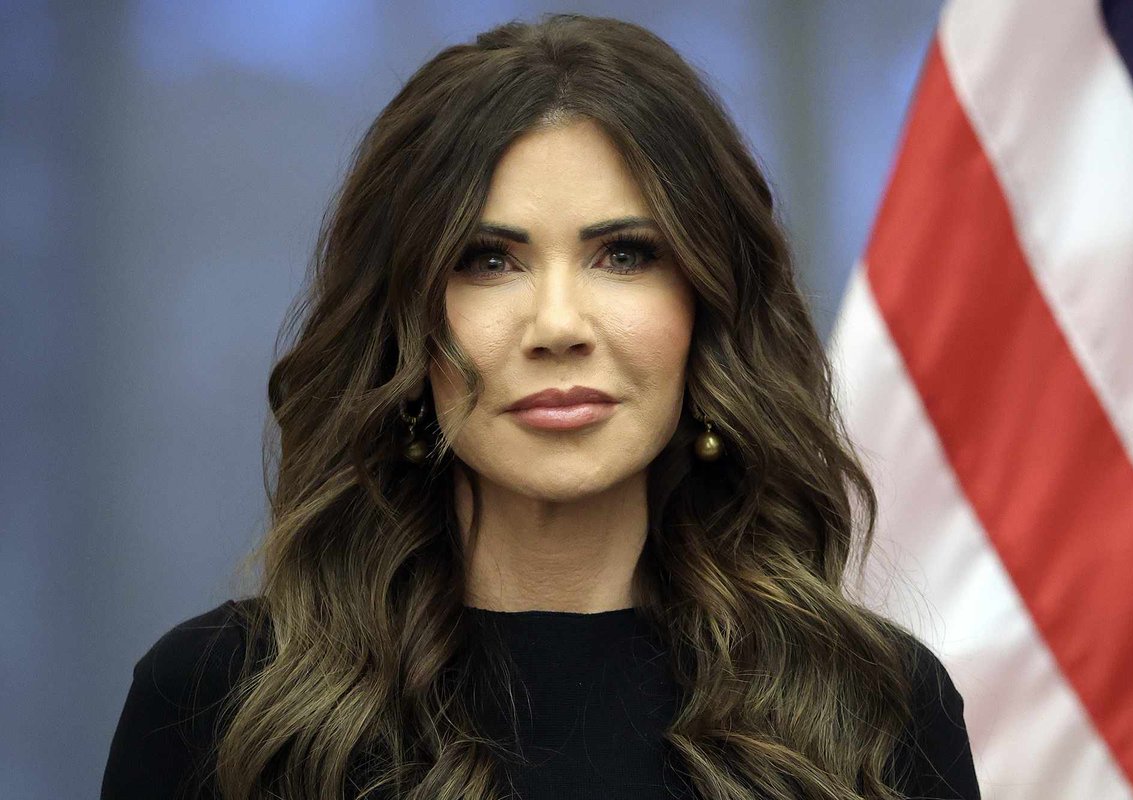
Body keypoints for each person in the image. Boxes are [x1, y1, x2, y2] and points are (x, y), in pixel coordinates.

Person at [102, 13, 981, 800]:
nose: (558, 326)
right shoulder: (219, 704)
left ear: (707, 310)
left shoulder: (874, 706)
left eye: (624, 255)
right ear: (403, 325)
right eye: (488, 260)